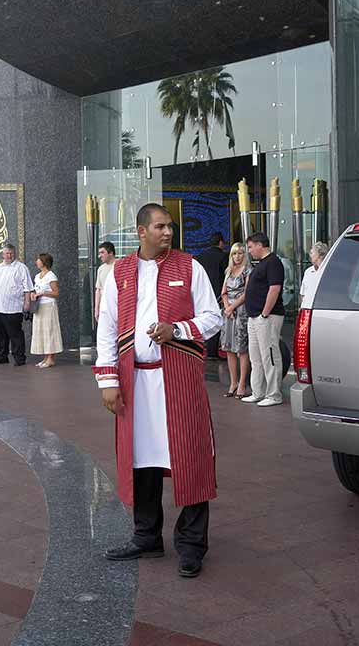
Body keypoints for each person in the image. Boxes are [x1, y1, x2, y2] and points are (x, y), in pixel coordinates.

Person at [94, 203, 222, 579]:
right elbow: (107, 327)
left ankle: (192, 545)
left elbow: (213, 317)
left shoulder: (189, 267)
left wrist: (177, 330)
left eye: (170, 227)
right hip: (135, 383)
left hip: (179, 381)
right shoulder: (120, 271)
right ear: (141, 231)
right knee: (142, 461)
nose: (168, 233)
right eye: (161, 227)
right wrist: (107, 382)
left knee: (192, 457)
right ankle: (146, 536)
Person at [242, 232, 285, 407]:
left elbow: (274, 289)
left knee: (269, 355)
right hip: (255, 317)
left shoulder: (273, 262)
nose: (249, 251)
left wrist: (265, 313)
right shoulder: (261, 264)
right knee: (256, 357)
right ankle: (258, 392)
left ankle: (274, 394)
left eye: (251, 247)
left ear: (260, 245)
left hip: (266, 316)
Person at [0, 243, 33, 366]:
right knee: (0, 333)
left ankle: (19, 358)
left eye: (11, 253)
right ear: (3, 254)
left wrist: (27, 303)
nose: (9, 256)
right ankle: (2, 356)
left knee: (15, 334)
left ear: (15, 253)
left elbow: (27, 287)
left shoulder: (21, 268)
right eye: (7, 253)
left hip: (12, 308)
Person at [220, 243, 251, 399]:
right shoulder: (228, 270)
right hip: (229, 312)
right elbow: (223, 292)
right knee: (228, 348)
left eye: (240, 253)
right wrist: (227, 308)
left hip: (241, 311)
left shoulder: (248, 270)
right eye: (234, 253)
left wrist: (232, 307)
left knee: (242, 349)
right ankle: (233, 382)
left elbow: (246, 293)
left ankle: (242, 384)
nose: (237, 256)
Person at [196, 232, 228, 357]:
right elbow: (225, 276)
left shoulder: (201, 256)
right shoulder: (223, 256)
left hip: (202, 292)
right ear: (220, 242)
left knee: (204, 318)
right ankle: (213, 350)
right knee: (216, 319)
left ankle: (208, 349)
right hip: (218, 292)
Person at [30, 253, 63, 368]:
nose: (36, 262)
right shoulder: (37, 276)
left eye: (38, 260)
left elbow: (56, 292)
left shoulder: (51, 276)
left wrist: (43, 293)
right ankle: (45, 357)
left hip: (49, 306)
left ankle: (50, 358)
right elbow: (35, 290)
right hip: (39, 306)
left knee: (49, 330)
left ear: (44, 262)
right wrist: (33, 295)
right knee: (41, 331)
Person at [95, 241, 116, 321]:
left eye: (102, 252)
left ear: (110, 252)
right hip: (104, 307)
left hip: (117, 306)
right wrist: (96, 309)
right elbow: (98, 290)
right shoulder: (100, 269)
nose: (99, 256)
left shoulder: (120, 266)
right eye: (99, 253)